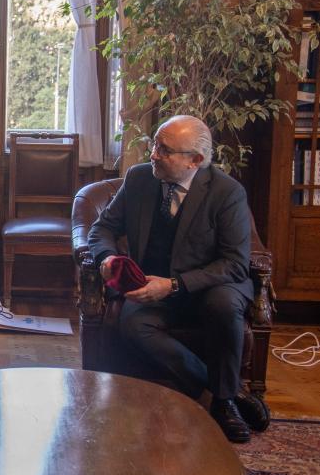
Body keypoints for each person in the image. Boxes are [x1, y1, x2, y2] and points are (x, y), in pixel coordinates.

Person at [88, 115, 270, 443]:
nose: (153, 154)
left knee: (226, 305)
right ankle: (223, 395)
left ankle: (226, 401)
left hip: (210, 287)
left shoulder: (227, 193)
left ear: (195, 161)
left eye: (164, 150)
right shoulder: (139, 178)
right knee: (133, 325)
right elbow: (102, 228)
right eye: (154, 145)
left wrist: (174, 285)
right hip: (153, 289)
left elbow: (234, 264)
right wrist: (107, 257)